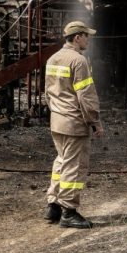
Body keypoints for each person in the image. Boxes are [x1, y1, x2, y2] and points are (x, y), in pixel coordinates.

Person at [43, 20, 104, 228]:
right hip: (74, 123)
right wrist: (95, 122)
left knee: (61, 161)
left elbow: (48, 93)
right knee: (74, 167)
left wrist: (57, 112)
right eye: (86, 36)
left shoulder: (52, 59)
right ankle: (69, 211)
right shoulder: (78, 61)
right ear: (77, 37)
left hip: (57, 121)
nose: (88, 40)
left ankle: (53, 205)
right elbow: (86, 96)